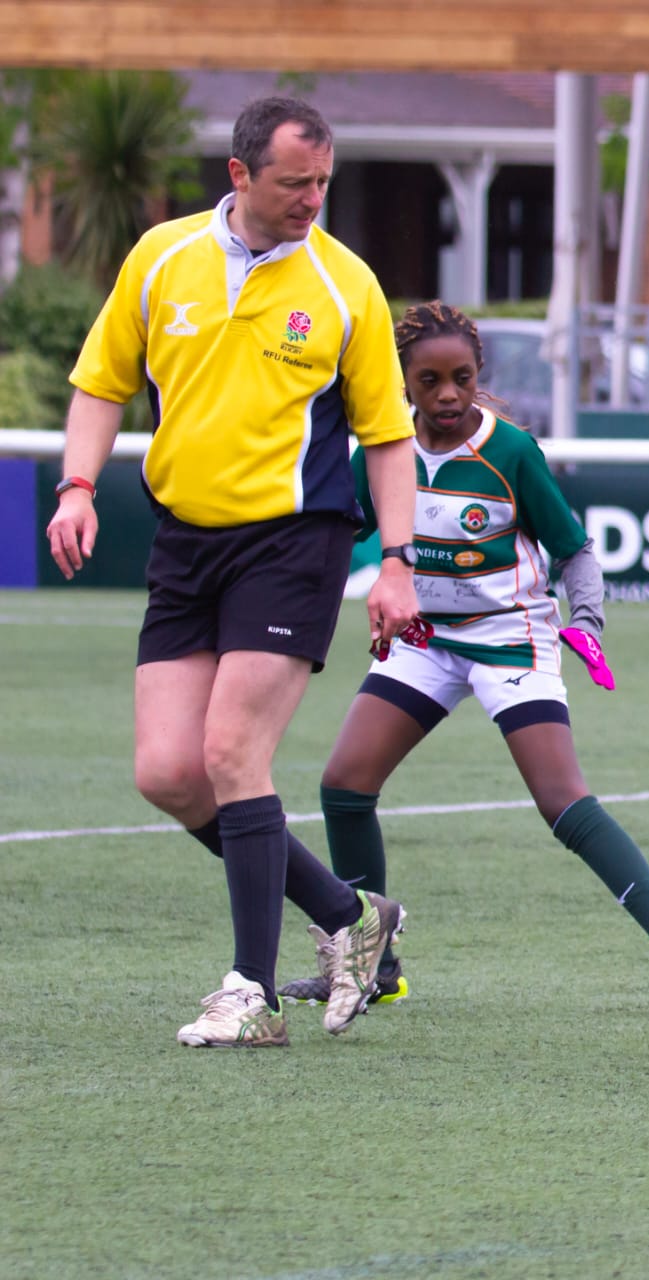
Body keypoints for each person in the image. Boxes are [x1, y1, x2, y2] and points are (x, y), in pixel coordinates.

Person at [44, 97, 414, 1047]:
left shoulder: (347, 284)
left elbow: (387, 437)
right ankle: (349, 916)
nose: (313, 199)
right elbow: (99, 384)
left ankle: (251, 993)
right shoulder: (161, 257)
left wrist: (396, 563)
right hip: (186, 541)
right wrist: (77, 488)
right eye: (295, 182)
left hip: (294, 543)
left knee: (231, 755)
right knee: (169, 773)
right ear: (240, 174)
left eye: (323, 181)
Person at [276, 302, 649, 1017]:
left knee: (562, 802)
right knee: (344, 785)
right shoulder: (383, 453)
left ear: (479, 373)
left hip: (511, 636)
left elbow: (575, 550)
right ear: (403, 382)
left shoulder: (511, 452)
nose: (448, 394)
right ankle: (374, 963)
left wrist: (586, 622)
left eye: (462, 378)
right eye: (430, 381)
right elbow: (337, 534)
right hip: (426, 639)